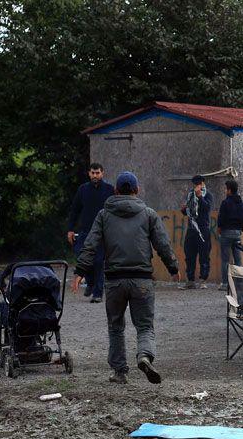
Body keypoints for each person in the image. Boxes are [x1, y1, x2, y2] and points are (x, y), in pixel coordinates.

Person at [73, 171, 180, 384]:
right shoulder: (149, 214)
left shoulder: (104, 215)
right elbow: (162, 244)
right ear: (137, 190)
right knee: (145, 326)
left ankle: (120, 372)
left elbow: (91, 244)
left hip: (114, 281)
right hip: (142, 280)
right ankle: (144, 356)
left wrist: (80, 271)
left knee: (115, 326)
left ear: (115, 190)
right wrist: (173, 267)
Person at [66, 162, 116, 303]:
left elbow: (115, 210)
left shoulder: (109, 190)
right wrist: (70, 229)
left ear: (102, 173)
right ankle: (91, 283)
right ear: (89, 173)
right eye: (93, 173)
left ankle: (97, 293)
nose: (95, 175)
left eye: (98, 173)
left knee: (99, 261)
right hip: (85, 231)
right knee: (82, 258)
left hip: (102, 232)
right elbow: (74, 210)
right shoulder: (83, 190)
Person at [181, 175, 213, 289]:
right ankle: (190, 280)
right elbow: (187, 212)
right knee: (189, 255)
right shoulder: (190, 195)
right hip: (192, 228)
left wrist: (200, 197)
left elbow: (206, 208)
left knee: (204, 255)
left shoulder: (207, 195)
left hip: (203, 229)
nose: (197, 186)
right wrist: (184, 209)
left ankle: (203, 280)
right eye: (195, 184)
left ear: (203, 183)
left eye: (199, 183)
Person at [216, 179, 243, 290]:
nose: (225, 191)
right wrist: (240, 230)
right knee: (238, 259)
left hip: (226, 233)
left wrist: (220, 229)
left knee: (225, 259)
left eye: (226, 189)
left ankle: (225, 284)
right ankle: (239, 283)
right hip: (237, 233)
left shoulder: (225, 203)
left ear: (229, 190)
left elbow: (221, 218)